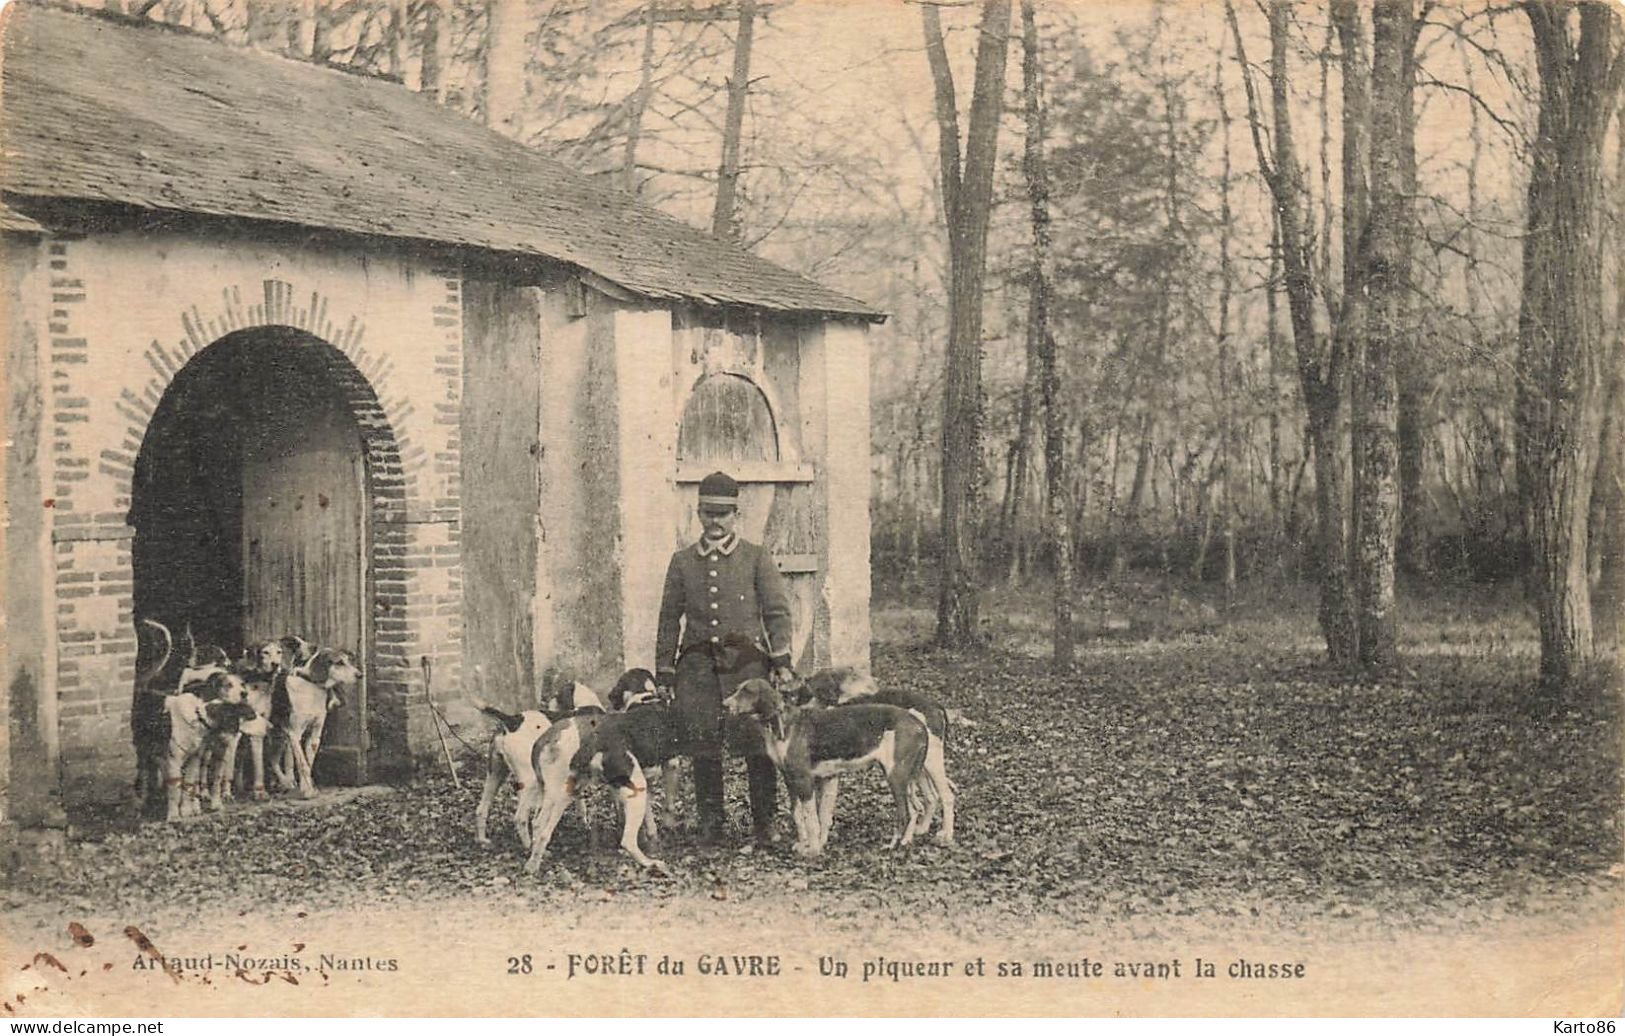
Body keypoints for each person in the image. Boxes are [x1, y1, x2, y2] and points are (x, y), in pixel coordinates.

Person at [655, 470, 795, 845]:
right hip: (697, 668)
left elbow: (777, 612)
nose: (714, 522)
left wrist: (780, 660)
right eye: (707, 513)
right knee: (703, 742)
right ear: (697, 513)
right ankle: (711, 824)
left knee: (757, 745)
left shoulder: (755, 557)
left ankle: (765, 824)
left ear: (736, 515)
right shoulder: (682, 562)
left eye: (722, 513)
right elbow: (669, 619)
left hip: (747, 667)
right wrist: (666, 671)